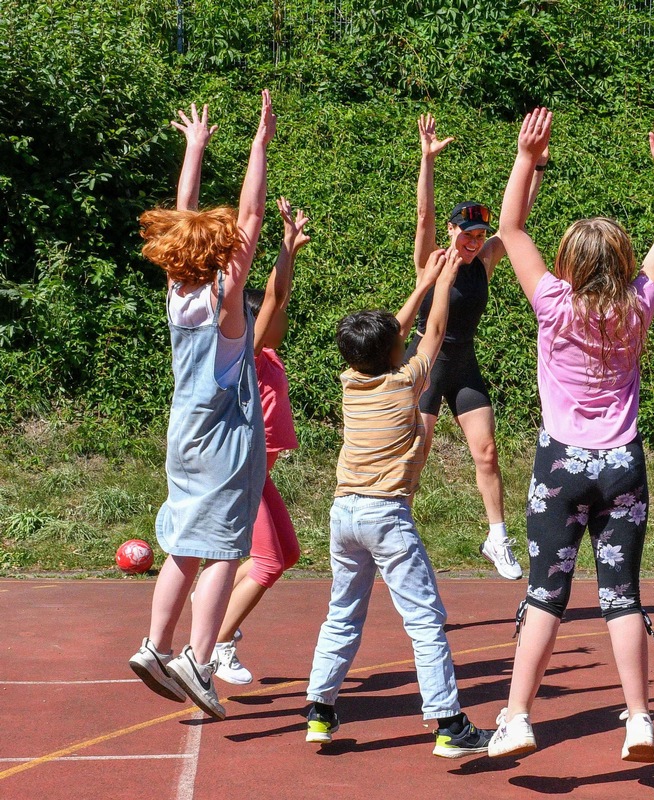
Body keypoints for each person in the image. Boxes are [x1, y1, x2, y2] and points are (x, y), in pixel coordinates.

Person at [486, 108, 654, 763]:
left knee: (546, 592)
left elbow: (511, 228)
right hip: (623, 464)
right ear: (624, 264)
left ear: (568, 264)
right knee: (621, 595)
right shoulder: (638, 306)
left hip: (562, 466)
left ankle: (518, 716)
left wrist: (526, 157)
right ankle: (639, 719)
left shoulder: (553, 304)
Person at [303, 247, 493, 758]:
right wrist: (444, 280)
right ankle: (449, 724)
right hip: (385, 514)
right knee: (425, 620)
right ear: (394, 352)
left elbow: (401, 332)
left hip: (343, 514)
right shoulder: (406, 383)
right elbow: (434, 332)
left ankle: (319, 709)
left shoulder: (351, 381)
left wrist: (424, 281)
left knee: (342, 613)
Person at [128, 93, 274, 720]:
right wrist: (259, 143)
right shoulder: (224, 298)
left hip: (182, 433)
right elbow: (251, 214)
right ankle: (198, 657)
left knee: (184, 546)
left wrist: (194, 148)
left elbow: (181, 217)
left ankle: (154, 645)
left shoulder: (176, 289)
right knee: (223, 549)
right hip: (222, 441)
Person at [404, 114, 546, 580]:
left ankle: (497, 538)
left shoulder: (484, 261)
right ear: (452, 231)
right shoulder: (431, 259)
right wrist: (427, 161)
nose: (474, 241)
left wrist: (535, 166)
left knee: (486, 452)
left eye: (480, 235)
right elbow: (423, 215)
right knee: (416, 455)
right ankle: (397, 532)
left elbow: (515, 220)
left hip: (463, 363)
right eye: (467, 234)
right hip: (425, 364)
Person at [210, 197, 310, 685]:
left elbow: (277, 302)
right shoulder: (244, 353)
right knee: (268, 562)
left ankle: (208, 603)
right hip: (241, 471)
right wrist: (286, 248)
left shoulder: (267, 356)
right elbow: (276, 296)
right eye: (271, 316)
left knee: (286, 554)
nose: (282, 319)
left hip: (257, 472)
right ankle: (213, 645)